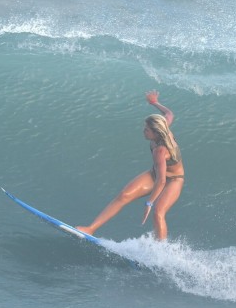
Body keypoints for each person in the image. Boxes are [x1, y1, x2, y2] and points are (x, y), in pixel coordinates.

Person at [77, 90, 185, 240]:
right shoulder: (163, 126)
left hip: (173, 180)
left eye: (146, 130)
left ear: (156, 133)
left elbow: (161, 181)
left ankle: (161, 253)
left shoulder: (160, 151)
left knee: (158, 213)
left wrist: (149, 203)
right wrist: (154, 103)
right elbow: (170, 114)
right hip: (155, 174)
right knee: (124, 195)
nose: (143, 131)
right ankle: (90, 228)